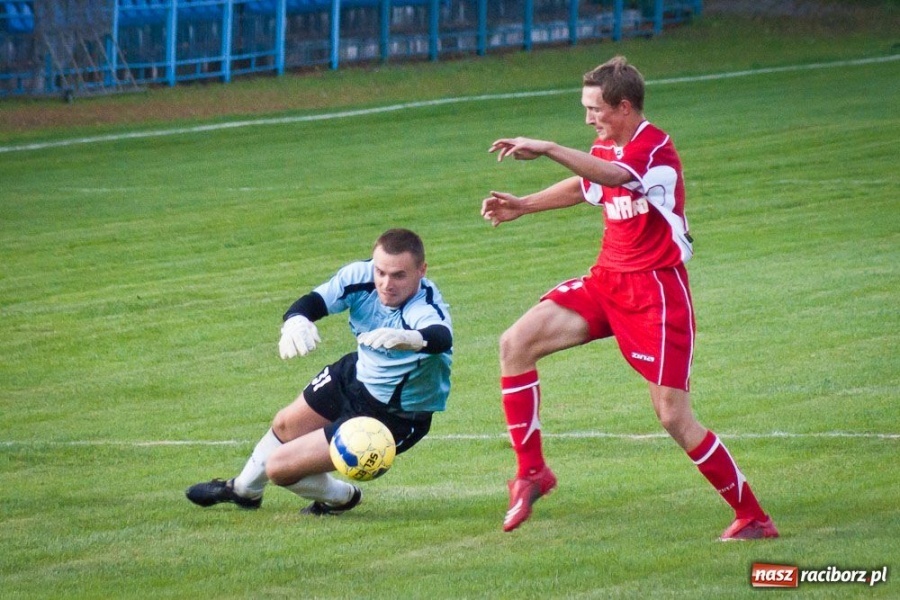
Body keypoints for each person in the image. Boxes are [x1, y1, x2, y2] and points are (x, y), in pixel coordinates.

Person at [481, 56, 778, 540]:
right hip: (607, 283)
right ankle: (531, 471)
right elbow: (588, 184)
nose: (588, 118)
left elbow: (614, 177)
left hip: (656, 295)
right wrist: (524, 205)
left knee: (673, 416)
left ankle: (754, 517)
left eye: (595, 108)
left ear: (623, 106)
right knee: (516, 343)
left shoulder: (653, 150)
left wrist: (550, 147)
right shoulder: (608, 146)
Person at [186, 228, 452, 515]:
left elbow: (439, 335)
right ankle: (244, 491)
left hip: (395, 414)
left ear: (421, 270)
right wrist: (296, 320)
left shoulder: (423, 305)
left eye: (399, 275)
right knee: (284, 425)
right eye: (381, 272)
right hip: (356, 375)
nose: (386, 284)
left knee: (279, 469)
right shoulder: (359, 277)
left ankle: (342, 497)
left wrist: (414, 339)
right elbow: (313, 302)